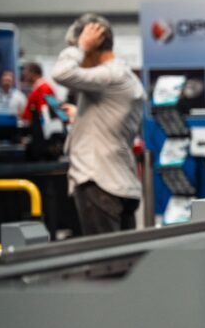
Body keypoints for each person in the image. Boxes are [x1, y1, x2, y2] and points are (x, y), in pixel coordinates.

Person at [52, 14, 144, 236]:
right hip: (116, 182)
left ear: (93, 46)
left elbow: (61, 73)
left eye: (83, 51)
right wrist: (80, 115)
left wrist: (81, 45)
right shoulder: (123, 75)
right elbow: (111, 119)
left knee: (105, 265)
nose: (81, 58)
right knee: (123, 263)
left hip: (100, 182)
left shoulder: (111, 76)